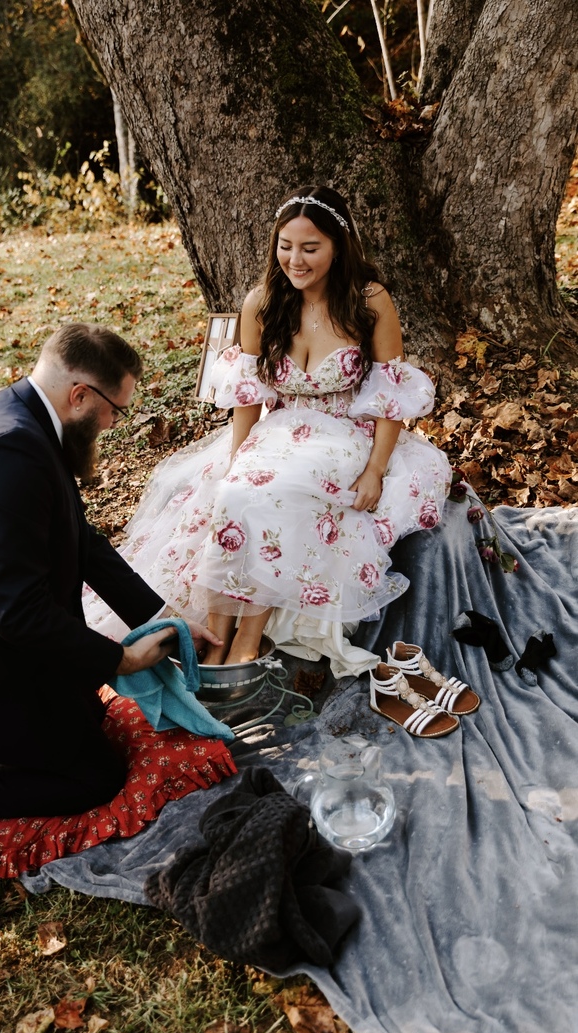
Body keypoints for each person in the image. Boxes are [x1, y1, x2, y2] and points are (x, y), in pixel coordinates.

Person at [0, 322, 220, 885]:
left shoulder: (23, 419)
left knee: (87, 718)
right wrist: (120, 660)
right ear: (80, 395)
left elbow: (81, 541)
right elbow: (18, 613)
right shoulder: (11, 452)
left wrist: (161, 618)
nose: (113, 425)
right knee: (93, 773)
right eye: (115, 411)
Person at [84, 187, 451, 676]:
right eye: (285, 245)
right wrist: (236, 457)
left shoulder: (369, 300)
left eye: (310, 248)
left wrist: (375, 471)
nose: (294, 260)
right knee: (236, 490)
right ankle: (217, 639)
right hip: (278, 428)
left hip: (346, 430)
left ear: (338, 246)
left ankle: (248, 639)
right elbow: (247, 396)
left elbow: (391, 398)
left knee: (282, 490)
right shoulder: (262, 302)